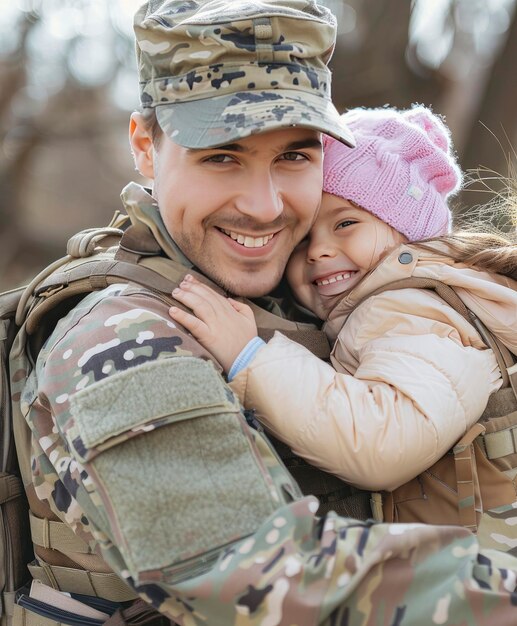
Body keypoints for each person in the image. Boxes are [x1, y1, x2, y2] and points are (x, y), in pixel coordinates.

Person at [11, 1, 517, 624]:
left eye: (295, 157)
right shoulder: (125, 340)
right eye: (222, 155)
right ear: (146, 146)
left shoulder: (309, 292)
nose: (265, 205)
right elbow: (271, 585)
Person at [169, 104, 517, 546]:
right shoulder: (402, 301)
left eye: (346, 223)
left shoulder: (410, 311)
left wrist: (250, 358)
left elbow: (382, 445)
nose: (318, 251)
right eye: (302, 240)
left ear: (408, 233)